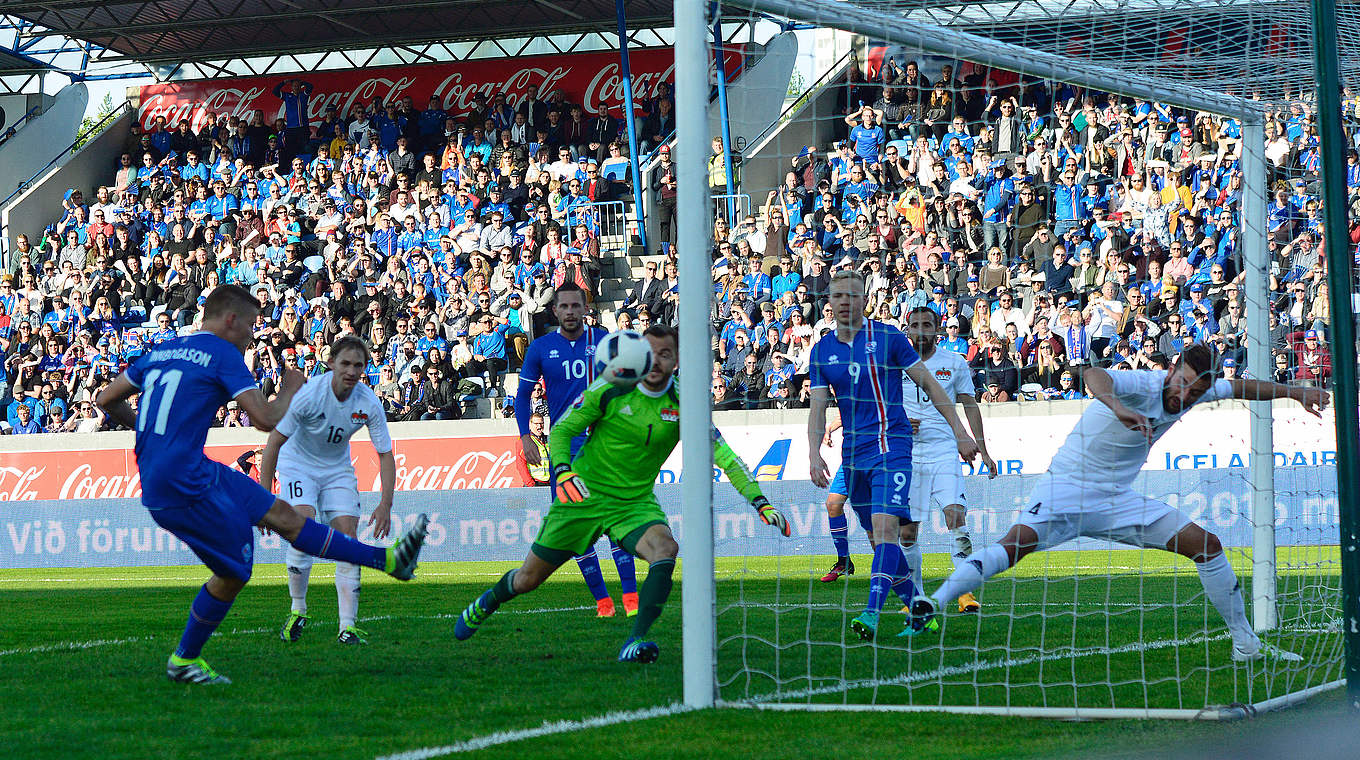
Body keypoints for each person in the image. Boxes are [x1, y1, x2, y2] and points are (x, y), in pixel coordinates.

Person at [94, 285, 429, 684]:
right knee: (236, 571)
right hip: (182, 482)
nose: (253, 335)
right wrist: (290, 389)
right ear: (230, 320)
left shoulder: (161, 351)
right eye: (251, 325)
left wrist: (152, 432)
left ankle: (388, 561)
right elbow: (265, 419)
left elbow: (105, 399)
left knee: (283, 516)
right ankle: (184, 659)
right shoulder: (223, 353)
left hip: (187, 470)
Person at [912, 344, 1326, 663]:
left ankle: (1246, 646)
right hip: (1063, 490)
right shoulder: (1143, 384)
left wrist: (1296, 392)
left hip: (1116, 500)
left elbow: (1242, 388)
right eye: (1182, 382)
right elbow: (1091, 374)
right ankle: (934, 602)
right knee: (1013, 546)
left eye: (1196, 389)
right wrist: (1118, 407)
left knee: (1207, 545)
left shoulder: (1200, 391)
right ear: (1170, 370)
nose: (1185, 394)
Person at [454, 324, 790, 662]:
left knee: (666, 548)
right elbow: (562, 431)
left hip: (633, 503)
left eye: (665, 354)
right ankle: (488, 601)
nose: (656, 361)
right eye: (650, 353)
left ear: (676, 361)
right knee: (528, 579)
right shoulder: (612, 386)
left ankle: (635, 639)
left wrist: (759, 502)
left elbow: (727, 458)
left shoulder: (685, 403)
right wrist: (563, 470)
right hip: (583, 495)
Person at [807, 270, 980, 641]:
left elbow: (930, 384)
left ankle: (871, 613)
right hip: (855, 454)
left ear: (864, 299)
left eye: (851, 296)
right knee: (876, 539)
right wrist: (813, 452)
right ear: (830, 302)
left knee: (889, 532)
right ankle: (922, 611)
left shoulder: (887, 337)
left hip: (893, 446)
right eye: (837, 296)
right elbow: (818, 407)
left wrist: (961, 432)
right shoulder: (822, 350)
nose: (843, 302)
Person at [259, 336, 396, 646]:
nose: (351, 370)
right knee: (303, 527)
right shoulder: (310, 395)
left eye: (358, 365)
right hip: (298, 464)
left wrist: (386, 503)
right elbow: (273, 444)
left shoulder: (369, 402)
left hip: (337, 469)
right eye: (345, 363)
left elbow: (385, 454)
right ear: (331, 362)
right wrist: (264, 500)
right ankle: (298, 609)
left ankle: (347, 627)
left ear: (365, 368)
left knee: (348, 538)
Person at [512, 283, 639, 618]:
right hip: (565, 448)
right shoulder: (541, 348)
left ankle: (631, 600)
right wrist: (525, 436)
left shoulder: (603, 342)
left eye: (575, 306)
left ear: (586, 308)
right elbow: (522, 397)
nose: (569, 312)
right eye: (563, 306)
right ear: (554, 311)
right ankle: (603, 603)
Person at [899, 307, 998, 613]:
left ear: (937, 329)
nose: (920, 330)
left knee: (956, 515)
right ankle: (915, 597)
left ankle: (964, 593)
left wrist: (982, 448)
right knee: (907, 530)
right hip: (907, 453)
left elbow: (970, 406)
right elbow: (881, 403)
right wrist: (900, 420)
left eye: (926, 325)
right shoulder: (893, 364)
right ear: (907, 329)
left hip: (944, 450)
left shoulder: (954, 362)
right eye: (914, 325)